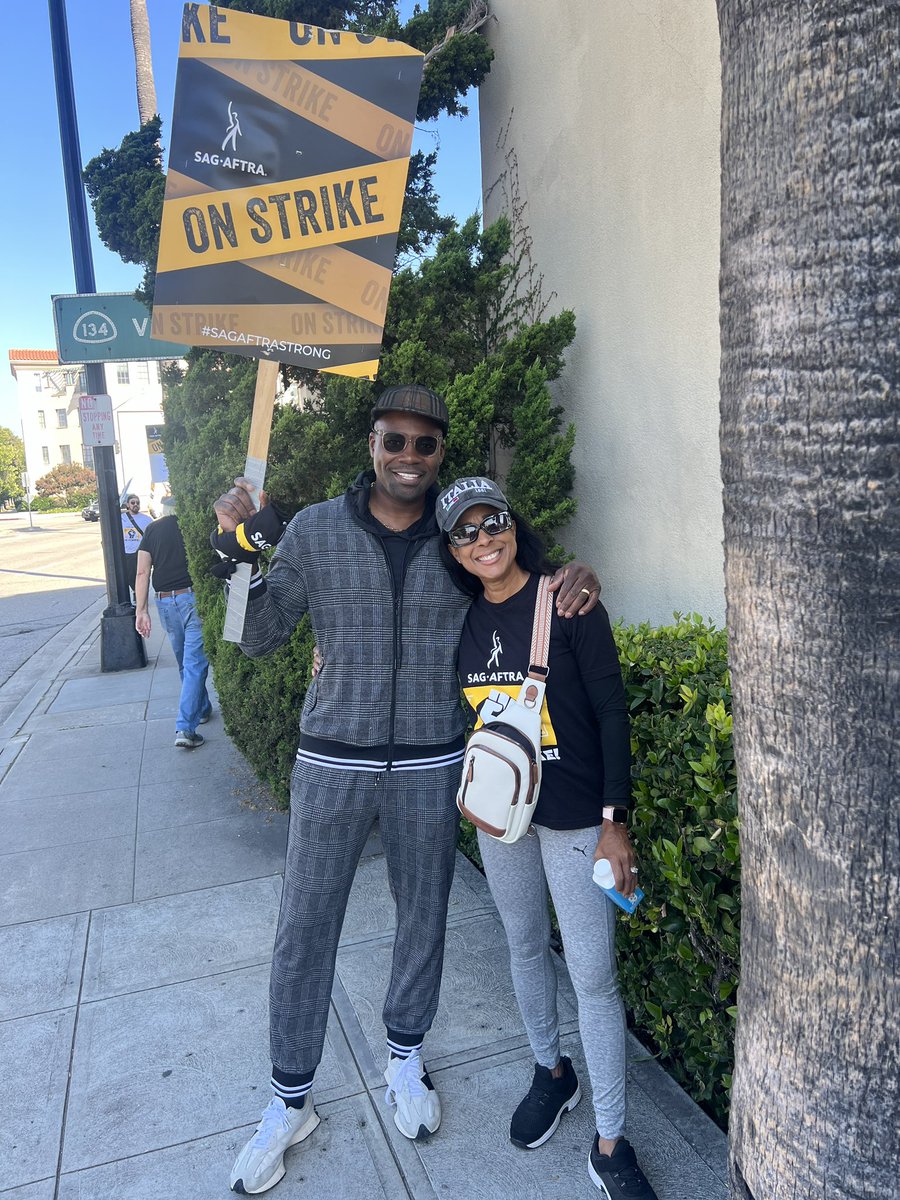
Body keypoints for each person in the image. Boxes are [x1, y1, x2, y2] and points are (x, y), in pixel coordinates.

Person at [211, 385, 601, 1196]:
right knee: (305, 925)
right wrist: (236, 554)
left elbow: (519, 581)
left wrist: (577, 577)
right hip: (331, 759)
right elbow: (258, 638)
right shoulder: (316, 529)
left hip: (432, 761)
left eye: (426, 446)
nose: (409, 457)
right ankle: (288, 1098)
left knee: (423, 915)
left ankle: (404, 1056)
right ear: (372, 443)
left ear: (439, 456)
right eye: (396, 441)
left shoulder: (459, 538)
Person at [436, 475, 658, 1200]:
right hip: (503, 824)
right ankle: (551, 1071)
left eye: (491, 521)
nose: (482, 539)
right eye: (464, 532)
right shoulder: (460, 620)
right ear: (453, 550)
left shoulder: (567, 602)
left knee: (593, 977)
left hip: (573, 822)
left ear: (512, 523)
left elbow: (613, 713)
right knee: (524, 945)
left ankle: (610, 1140)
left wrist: (613, 823)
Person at [134, 498, 212, 749]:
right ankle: (186, 728)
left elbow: (142, 572)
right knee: (194, 663)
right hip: (192, 597)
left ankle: (201, 708)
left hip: (165, 602)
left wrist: (141, 611)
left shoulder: (153, 530)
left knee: (185, 662)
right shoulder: (193, 524)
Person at [121, 494, 152, 594]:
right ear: (128, 504)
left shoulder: (146, 519)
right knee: (130, 576)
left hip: (140, 552)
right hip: (127, 553)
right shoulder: (121, 519)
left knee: (143, 574)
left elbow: (151, 535)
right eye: (133, 503)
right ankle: (136, 591)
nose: (135, 505)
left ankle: (140, 593)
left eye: (137, 503)